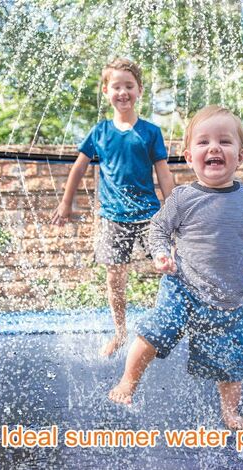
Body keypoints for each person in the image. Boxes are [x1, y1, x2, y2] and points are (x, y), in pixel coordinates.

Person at [109, 105, 243, 430]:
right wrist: (161, 254)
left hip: (226, 300)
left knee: (229, 364)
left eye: (224, 141)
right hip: (182, 289)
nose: (214, 148)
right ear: (190, 156)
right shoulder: (182, 198)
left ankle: (230, 412)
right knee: (151, 334)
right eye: (204, 142)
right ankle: (128, 382)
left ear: (240, 155)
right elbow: (158, 229)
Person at [52, 58, 175, 356]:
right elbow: (78, 169)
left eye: (129, 86)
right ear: (106, 91)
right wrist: (66, 203)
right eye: (116, 86)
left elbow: (163, 172)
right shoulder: (100, 132)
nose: (123, 92)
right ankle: (120, 332)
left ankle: (170, 323)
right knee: (115, 278)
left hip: (149, 215)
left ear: (139, 91)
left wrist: (175, 210)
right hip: (112, 217)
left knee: (169, 265)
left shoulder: (150, 132)